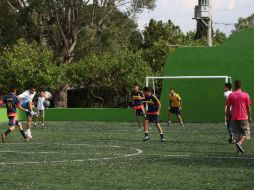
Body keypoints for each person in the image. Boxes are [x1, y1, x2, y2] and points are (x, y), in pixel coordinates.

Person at [226, 80, 252, 153]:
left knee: (237, 134)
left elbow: (228, 107)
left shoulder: (231, 95)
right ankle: (240, 143)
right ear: (241, 86)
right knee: (246, 133)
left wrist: (227, 116)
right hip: (243, 117)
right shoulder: (245, 94)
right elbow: (248, 107)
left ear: (234, 86)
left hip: (234, 118)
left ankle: (238, 150)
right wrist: (250, 117)